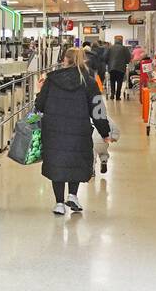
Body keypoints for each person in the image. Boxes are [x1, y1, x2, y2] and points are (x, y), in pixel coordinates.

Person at [34, 47, 115, 215]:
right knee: (75, 160)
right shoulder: (89, 82)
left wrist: (40, 92)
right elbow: (98, 110)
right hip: (79, 130)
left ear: (65, 60)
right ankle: (72, 195)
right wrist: (105, 132)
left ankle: (58, 203)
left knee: (58, 162)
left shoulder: (51, 80)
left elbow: (39, 105)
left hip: (54, 130)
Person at [105, 35, 130, 100]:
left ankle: (112, 94)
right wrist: (126, 62)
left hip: (111, 67)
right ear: (121, 41)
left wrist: (108, 63)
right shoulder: (124, 48)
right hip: (121, 67)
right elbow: (128, 58)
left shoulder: (110, 48)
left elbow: (105, 57)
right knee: (119, 81)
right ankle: (118, 96)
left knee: (112, 80)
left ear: (115, 40)